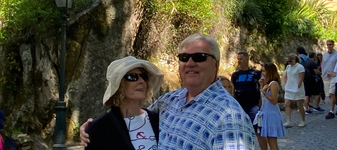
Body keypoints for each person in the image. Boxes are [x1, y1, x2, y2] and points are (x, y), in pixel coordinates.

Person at [80, 34, 257, 150]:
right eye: (184, 57)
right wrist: (91, 130)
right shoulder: (169, 101)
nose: (190, 63)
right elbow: (132, 116)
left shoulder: (230, 118)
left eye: (199, 57)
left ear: (216, 64)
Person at [85, 55, 163, 150]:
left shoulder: (159, 120)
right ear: (119, 85)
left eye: (144, 76)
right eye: (133, 77)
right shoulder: (99, 128)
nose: (141, 81)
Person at [257, 63, 285, 150]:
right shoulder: (266, 84)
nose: (263, 73)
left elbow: (274, 100)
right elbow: (262, 100)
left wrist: (264, 92)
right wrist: (261, 87)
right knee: (269, 141)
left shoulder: (273, 83)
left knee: (272, 143)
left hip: (271, 114)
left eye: (264, 71)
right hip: (266, 113)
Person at [231, 50, 263, 123]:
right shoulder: (235, 75)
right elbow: (233, 89)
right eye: (238, 59)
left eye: (241, 59)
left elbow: (261, 87)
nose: (239, 61)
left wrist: (261, 102)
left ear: (247, 59)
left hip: (253, 105)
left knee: (255, 126)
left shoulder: (256, 73)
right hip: (239, 105)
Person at [282, 55, 306, 128]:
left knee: (299, 104)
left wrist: (298, 86)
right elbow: (287, 76)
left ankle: (302, 120)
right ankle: (288, 120)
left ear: (295, 60)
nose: (290, 63)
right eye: (288, 61)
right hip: (289, 87)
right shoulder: (288, 67)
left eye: (291, 61)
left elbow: (301, 77)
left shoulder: (300, 67)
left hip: (297, 88)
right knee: (287, 104)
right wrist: (286, 85)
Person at [322, 39, 337, 118]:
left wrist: (336, 73)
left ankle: (331, 111)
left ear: (333, 45)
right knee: (329, 94)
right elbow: (323, 64)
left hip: (334, 76)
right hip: (326, 77)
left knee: (332, 93)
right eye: (328, 44)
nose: (329, 46)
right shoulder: (324, 55)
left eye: (330, 44)